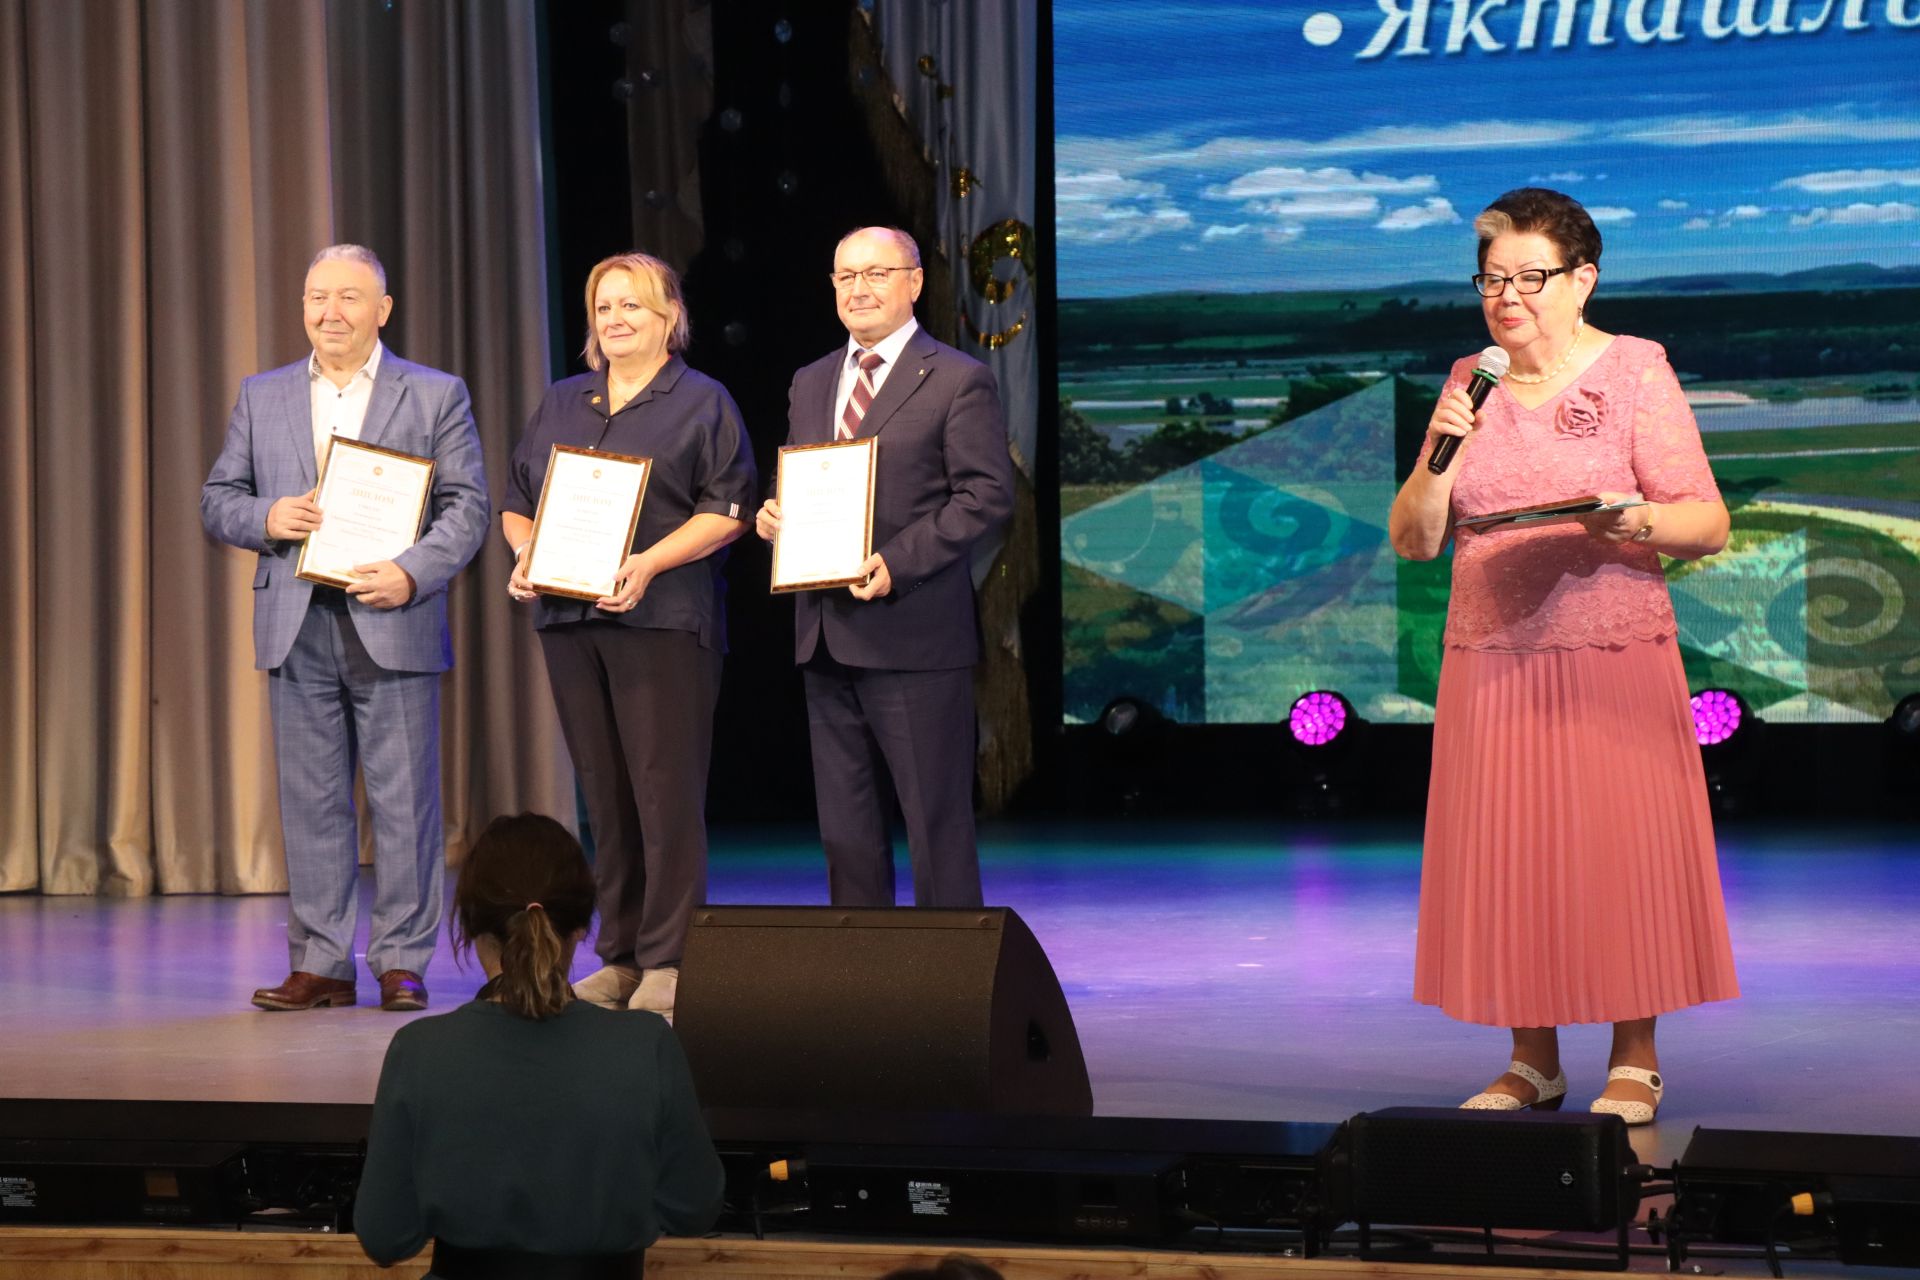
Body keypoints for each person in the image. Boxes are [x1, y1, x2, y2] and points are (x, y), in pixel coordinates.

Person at [1389, 187, 1739, 1126]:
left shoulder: (1634, 371)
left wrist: (1641, 520)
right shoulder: (1472, 377)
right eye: (1493, 278)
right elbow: (1416, 539)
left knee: (1620, 852)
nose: (1509, 296)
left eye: (1530, 277)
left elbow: (1708, 522)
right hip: (1493, 651)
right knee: (1511, 855)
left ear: (1583, 280)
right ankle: (1530, 1058)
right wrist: (1441, 458)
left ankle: (1635, 1056)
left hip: (1610, 645)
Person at [201, 244, 489, 1013]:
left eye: (349, 298)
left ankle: (401, 960)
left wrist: (412, 571)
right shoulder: (262, 396)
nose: (330, 312)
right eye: (316, 298)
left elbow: (468, 507)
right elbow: (218, 496)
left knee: (405, 804)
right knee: (311, 802)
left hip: (390, 615)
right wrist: (266, 516)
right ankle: (323, 963)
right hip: (296, 622)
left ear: (382, 309)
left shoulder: (433, 394)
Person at [501, 252, 755, 1021]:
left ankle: (671, 959)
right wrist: (525, 556)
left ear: (669, 318)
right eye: (604, 307)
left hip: (662, 621)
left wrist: (647, 562)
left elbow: (729, 510)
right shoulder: (563, 402)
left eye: (632, 307)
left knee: (663, 795)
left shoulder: (703, 402)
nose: (615, 320)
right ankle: (618, 956)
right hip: (570, 622)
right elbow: (517, 499)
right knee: (606, 798)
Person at [754, 227, 1014, 909]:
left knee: (935, 825)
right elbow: (810, 481)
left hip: (914, 636)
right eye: (845, 277)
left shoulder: (959, 378)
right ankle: (860, 984)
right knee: (845, 833)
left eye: (876, 273)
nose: (859, 289)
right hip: (824, 635)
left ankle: (949, 988)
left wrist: (898, 563)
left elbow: (986, 495)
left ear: (915, 282)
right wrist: (774, 517)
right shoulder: (811, 381)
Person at [355, 812, 725, 1276]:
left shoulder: (421, 1050)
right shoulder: (646, 1044)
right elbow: (694, 1207)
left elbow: (385, 1235)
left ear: (467, 926)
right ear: (580, 929)